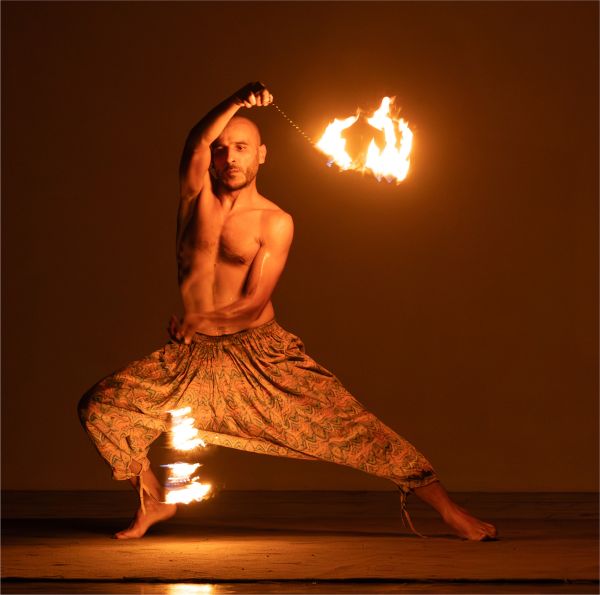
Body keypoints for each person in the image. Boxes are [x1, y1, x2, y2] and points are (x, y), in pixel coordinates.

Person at [78, 82, 497, 541]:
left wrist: (202, 319)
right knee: (103, 406)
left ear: (262, 155)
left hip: (260, 355)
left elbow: (253, 303)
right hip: (193, 357)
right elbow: (196, 139)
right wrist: (237, 100)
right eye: (221, 149)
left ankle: (449, 510)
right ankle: (154, 500)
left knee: (351, 428)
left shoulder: (274, 221)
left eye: (242, 148)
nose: (230, 158)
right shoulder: (194, 198)